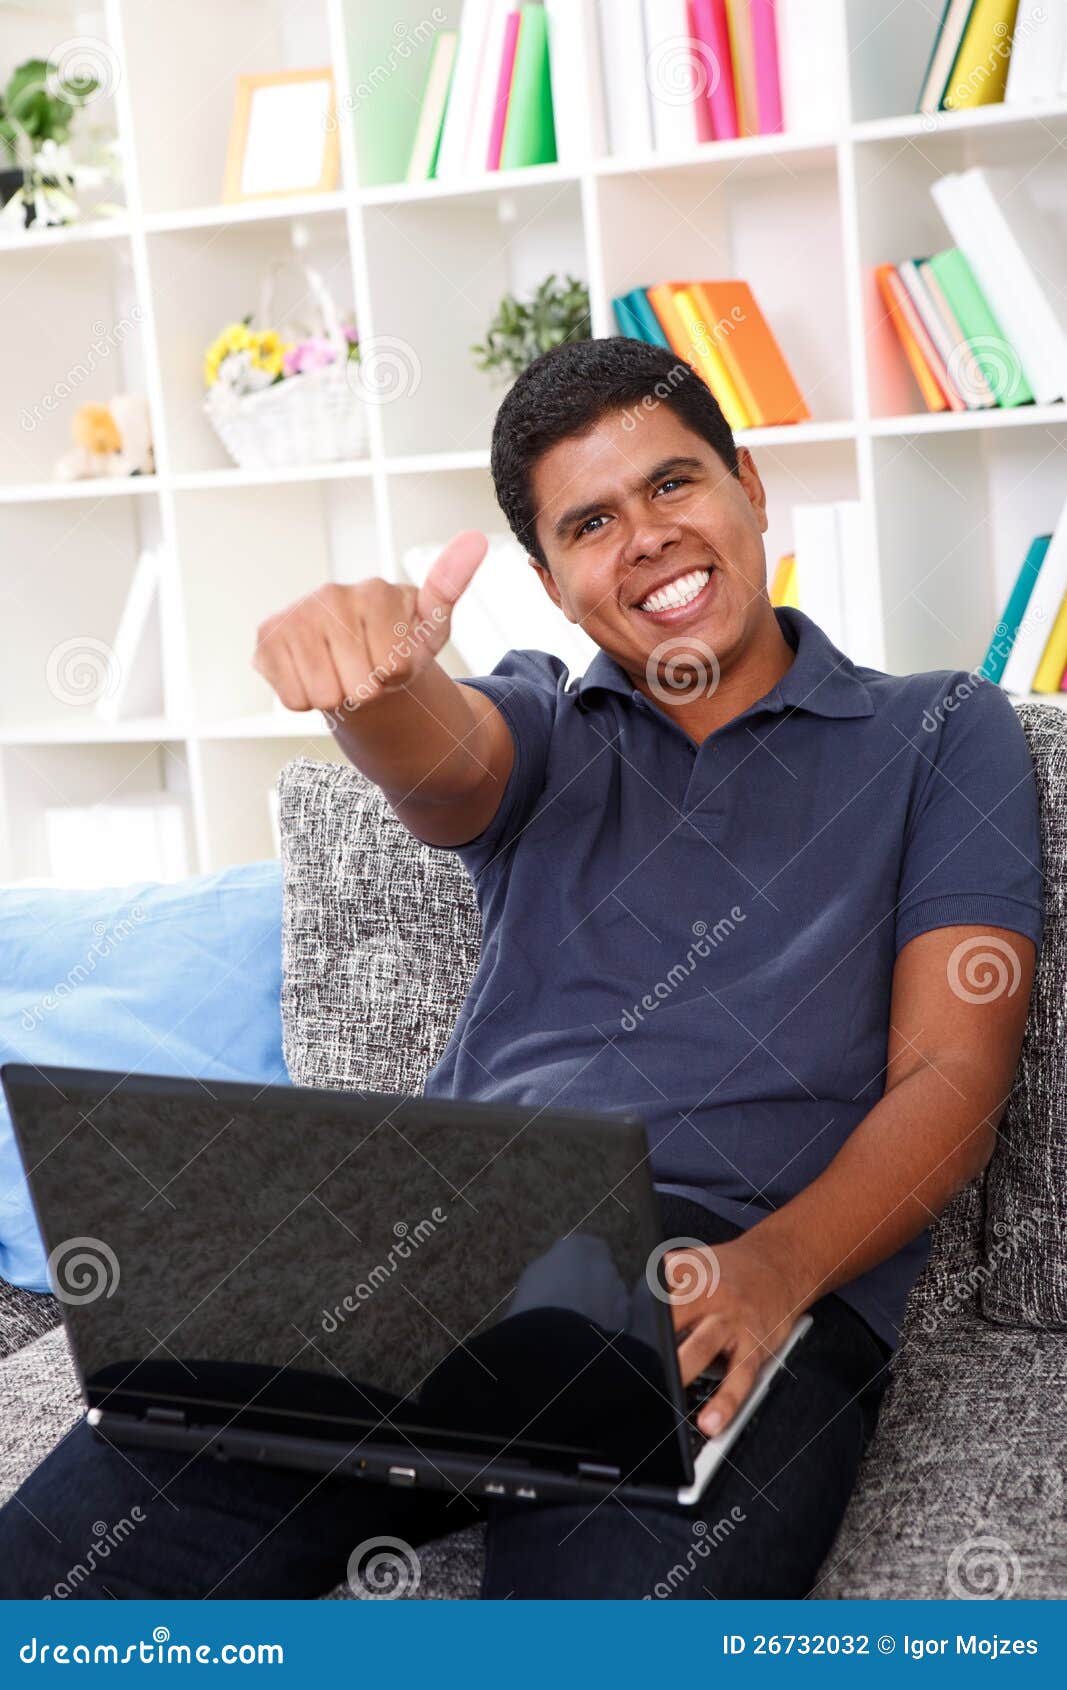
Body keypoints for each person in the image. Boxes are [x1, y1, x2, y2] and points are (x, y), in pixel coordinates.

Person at [0, 338, 1043, 1599]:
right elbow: (437, 758)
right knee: (54, 1583)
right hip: (437, 1246)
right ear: (551, 584)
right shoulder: (547, 725)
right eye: (591, 521)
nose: (647, 535)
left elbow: (950, 1078)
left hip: (721, 1276)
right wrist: (374, 685)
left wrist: (774, 1271)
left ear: (749, 485)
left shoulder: (938, 730)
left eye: (673, 484)